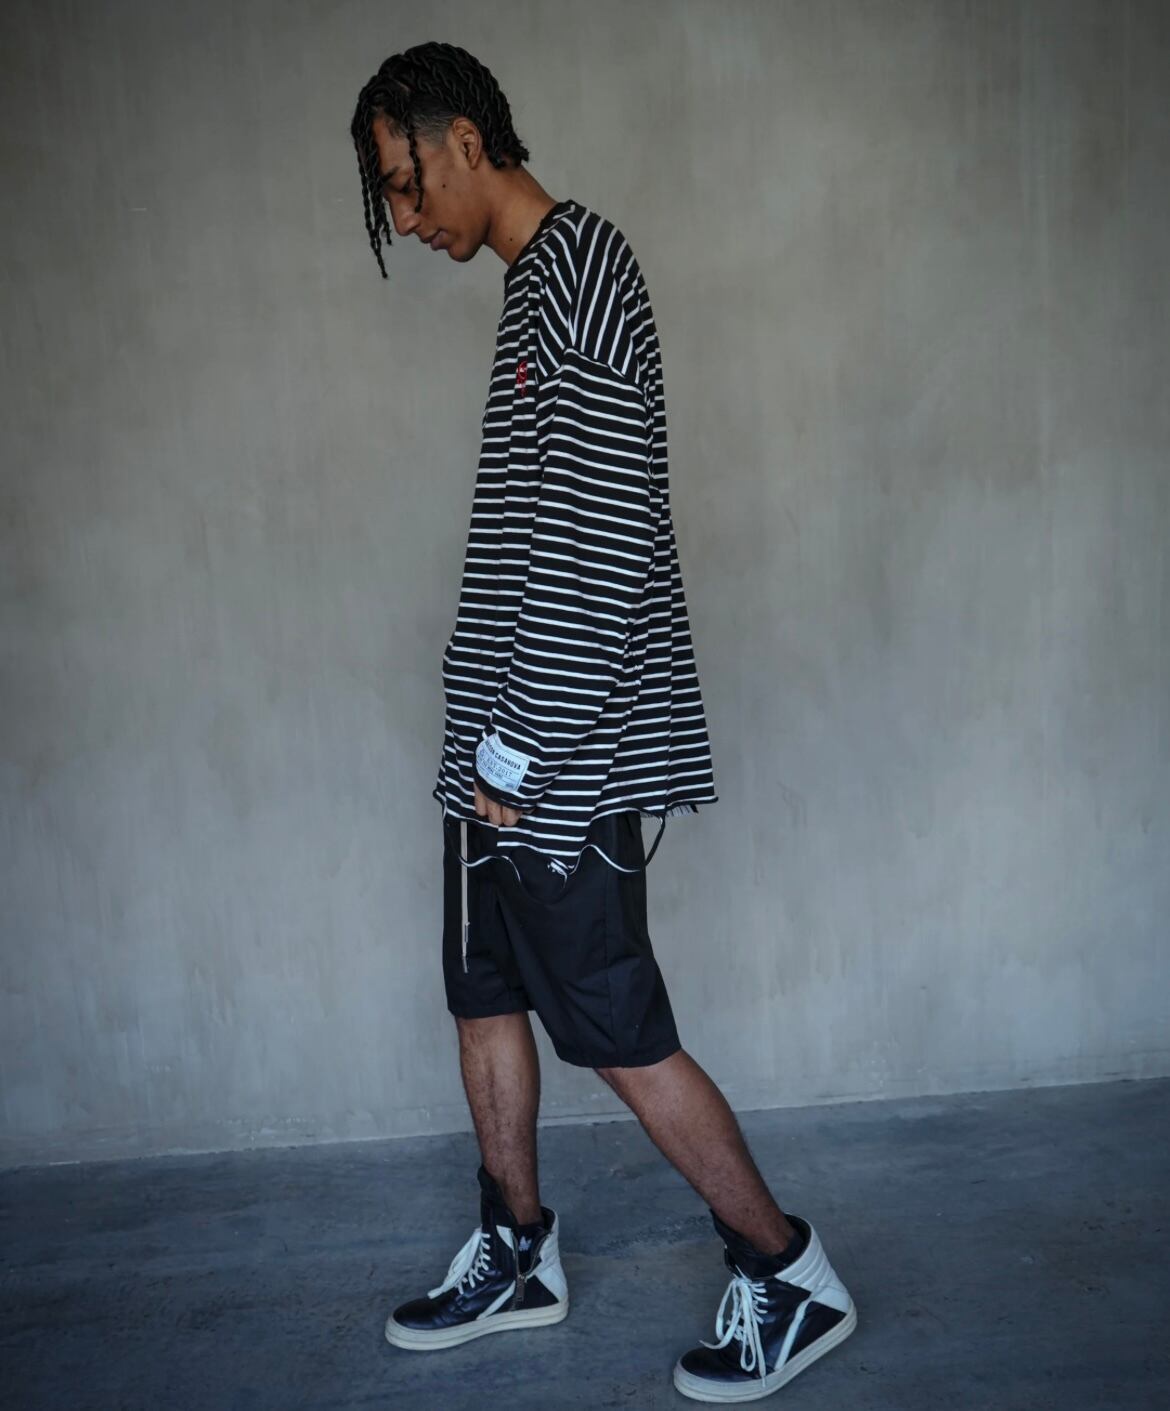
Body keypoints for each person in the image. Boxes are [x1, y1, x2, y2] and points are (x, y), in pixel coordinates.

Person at [349, 41, 856, 1402]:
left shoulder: (583, 272)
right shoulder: (532, 289)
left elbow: (599, 540)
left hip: (551, 756)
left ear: (464, 142)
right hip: (490, 747)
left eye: (403, 181)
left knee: (617, 1025)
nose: (404, 215)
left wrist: (522, 750)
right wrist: (480, 746)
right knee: (482, 993)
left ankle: (786, 1270)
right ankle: (517, 1248)